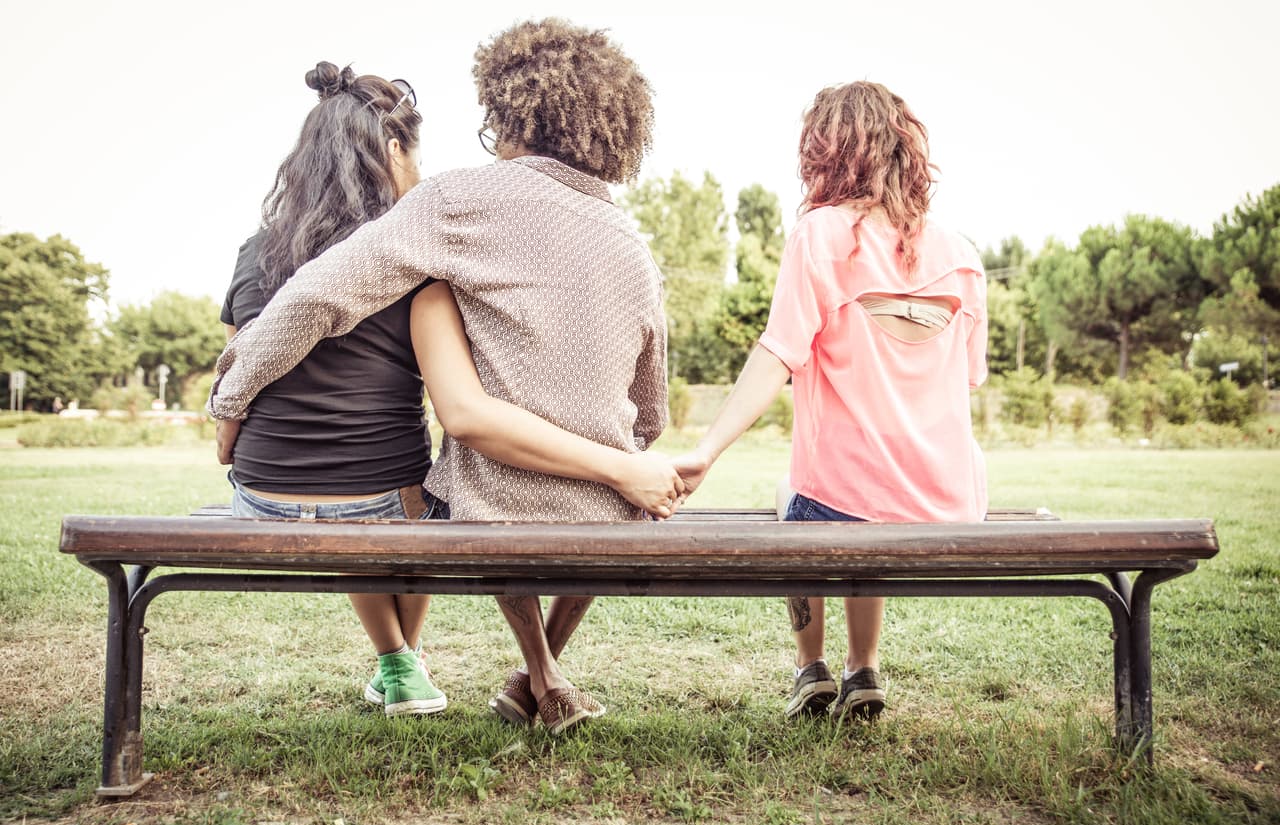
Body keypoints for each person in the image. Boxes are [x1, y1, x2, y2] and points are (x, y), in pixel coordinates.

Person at [209, 19, 669, 734]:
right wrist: (626, 455)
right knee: (619, 484)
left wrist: (231, 394)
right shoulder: (629, 243)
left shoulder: (455, 200)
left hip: (486, 497)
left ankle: (527, 670)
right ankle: (534, 675)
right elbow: (650, 407)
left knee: (474, 468)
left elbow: (316, 296)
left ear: (506, 111)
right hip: (607, 503)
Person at [674, 81, 989, 721]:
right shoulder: (963, 256)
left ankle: (810, 667)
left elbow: (778, 354)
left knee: (807, 503)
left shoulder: (820, 235)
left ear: (826, 151)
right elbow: (969, 379)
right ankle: (864, 669)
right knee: (861, 506)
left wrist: (707, 449)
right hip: (949, 504)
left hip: (846, 502)